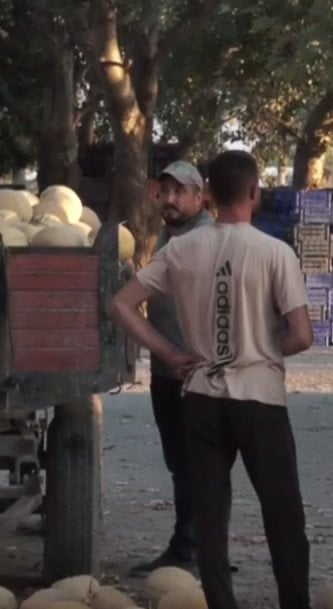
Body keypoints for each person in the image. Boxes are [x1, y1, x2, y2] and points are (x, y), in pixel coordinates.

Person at [108, 150, 325, 609]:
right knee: (283, 515)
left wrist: (168, 351)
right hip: (261, 397)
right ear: (254, 193)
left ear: (206, 194)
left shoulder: (181, 250)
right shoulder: (275, 252)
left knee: (211, 515)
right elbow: (303, 335)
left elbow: (121, 304)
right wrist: (261, 348)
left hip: (201, 393)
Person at [129, 160, 215, 576]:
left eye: (181, 192)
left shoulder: (201, 238)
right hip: (168, 370)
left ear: (201, 197)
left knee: (193, 465)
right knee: (184, 465)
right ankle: (196, 546)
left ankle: (190, 550)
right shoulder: (170, 236)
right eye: (165, 191)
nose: (171, 199)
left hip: (190, 371)